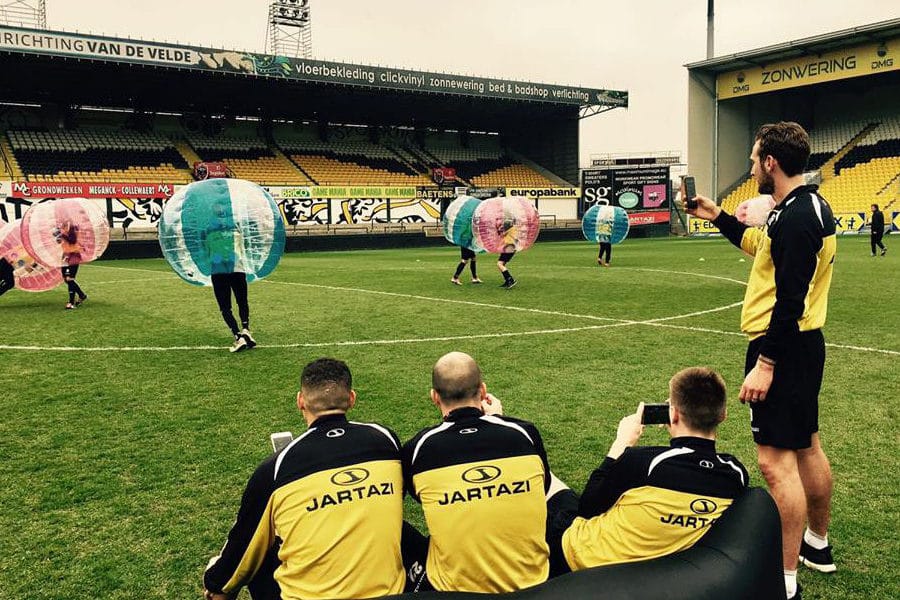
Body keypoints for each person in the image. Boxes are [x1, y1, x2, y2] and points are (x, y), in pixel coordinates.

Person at [686, 121, 837, 600]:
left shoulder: (796, 217)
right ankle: (817, 544)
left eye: (754, 160)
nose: (751, 167)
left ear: (770, 162)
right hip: (802, 344)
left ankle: (784, 578)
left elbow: (790, 299)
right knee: (807, 446)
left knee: (775, 464)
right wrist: (716, 215)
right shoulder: (800, 207)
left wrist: (765, 364)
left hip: (783, 345)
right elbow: (759, 247)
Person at [203, 358, 406, 600]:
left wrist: (213, 578)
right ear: (352, 399)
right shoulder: (386, 440)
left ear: (300, 401)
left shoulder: (276, 468)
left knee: (259, 550)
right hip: (390, 593)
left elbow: (240, 550)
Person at [546, 367, 748, 577]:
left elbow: (588, 507)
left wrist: (622, 442)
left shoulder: (644, 462)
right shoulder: (734, 474)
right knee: (561, 494)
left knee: (549, 489)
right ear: (723, 415)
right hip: (656, 570)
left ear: (673, 414)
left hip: (577, 555)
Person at [401, 351, 551, 593]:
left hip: (454, 589)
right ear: (483, 391)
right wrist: (499, 420)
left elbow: (421, 497)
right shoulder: (525, 433)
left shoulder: (418, 448)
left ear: (434, 397)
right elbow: (543, 488)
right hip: (531, 583)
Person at [206, 226, 255, 353]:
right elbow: (247, 247)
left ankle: (238, 336)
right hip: (237, 270)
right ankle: (245, 330)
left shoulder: (209, 235)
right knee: (242, 301)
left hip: (218, 272)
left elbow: (205, 253)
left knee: (225, 307)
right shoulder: (237, 232)